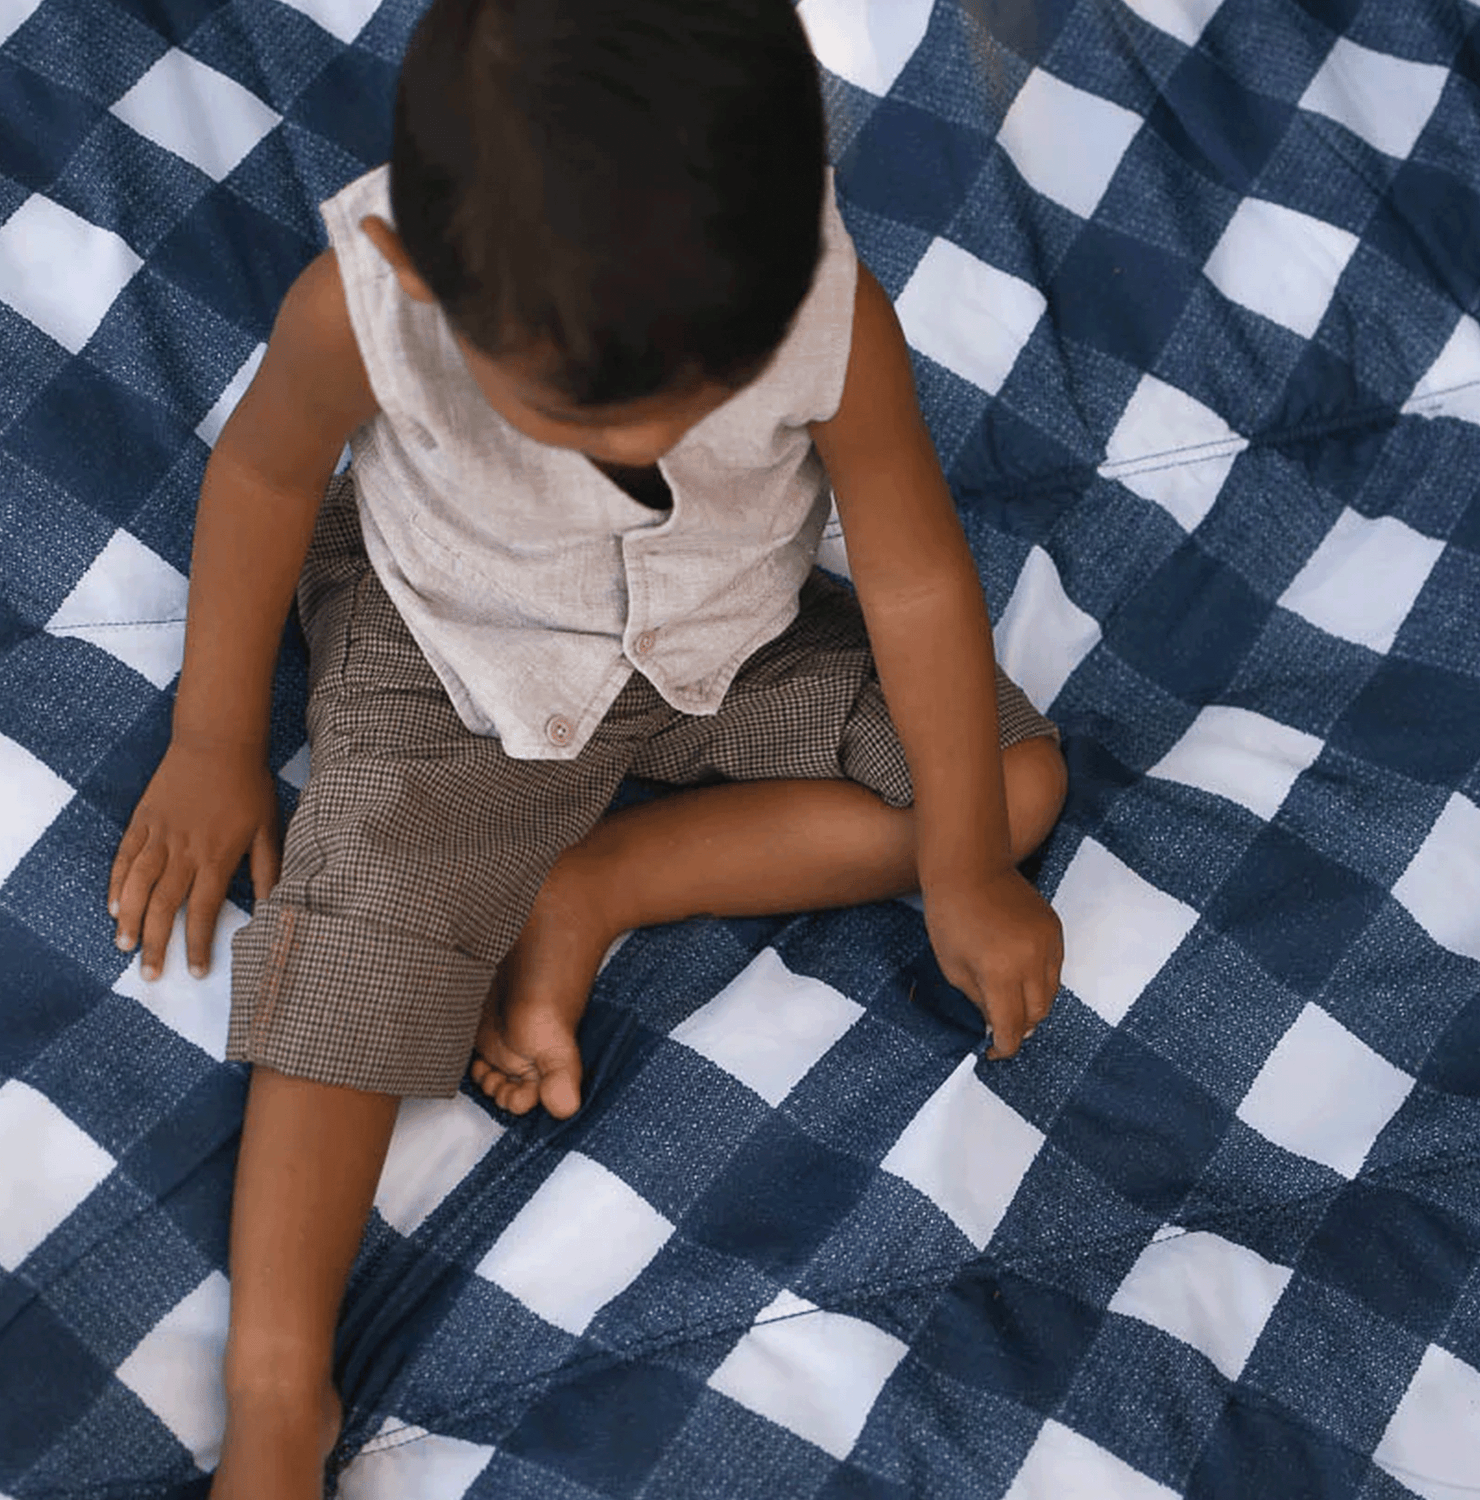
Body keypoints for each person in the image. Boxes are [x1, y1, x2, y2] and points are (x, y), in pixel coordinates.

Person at [106, 0, 1067, 1491]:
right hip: (456, 659)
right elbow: (263, 480)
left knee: (1011, 784)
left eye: (702, 395)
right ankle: (282, 1384)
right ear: (420, 268)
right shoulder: (365, 305)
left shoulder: (818, 297)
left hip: (724, 643)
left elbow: (916, 575)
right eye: (584, 416)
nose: (648, 447)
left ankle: (600, 886)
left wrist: (961, 867)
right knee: (358, 940)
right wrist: (215, 739)